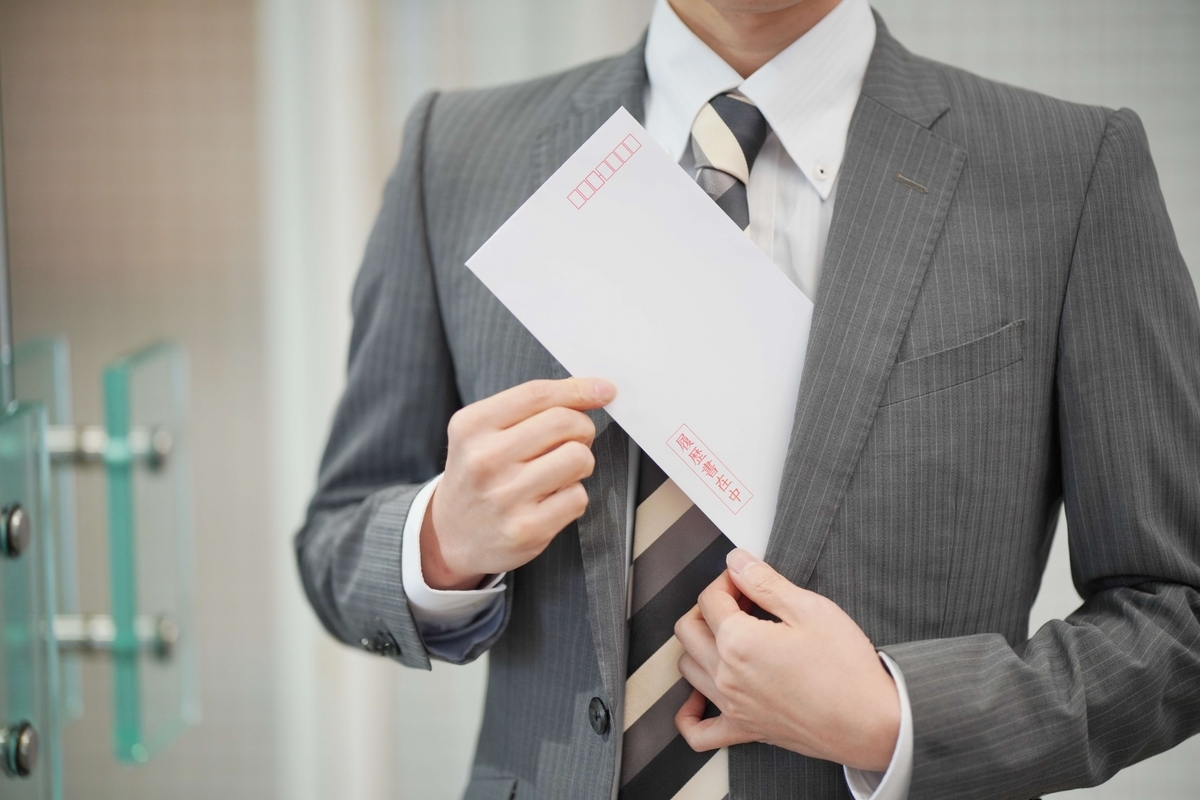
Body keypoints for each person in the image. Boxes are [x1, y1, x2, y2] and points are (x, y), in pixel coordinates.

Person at [295, 0, 1200, 797]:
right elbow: (336, 543)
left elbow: (1177, 615)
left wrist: (898, 718)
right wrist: (440, 542)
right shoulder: (455, 155)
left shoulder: (1069, 173)